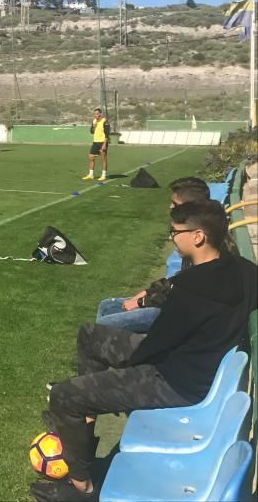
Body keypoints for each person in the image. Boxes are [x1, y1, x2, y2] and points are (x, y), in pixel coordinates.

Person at [36, 201, 257, 502]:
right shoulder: (245, 270)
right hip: (189, 363)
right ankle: (83, 430)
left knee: (65, 395)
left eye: (175, 232)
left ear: (198, 236)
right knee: (90, 336)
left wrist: (119, 378)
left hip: (175, 381)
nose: (172, 238)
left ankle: (81, 488)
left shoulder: (191, 289)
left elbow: (153, 349)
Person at [95, 177, 238, 333]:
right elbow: (179, 281)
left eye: (175, 204)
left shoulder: (209, 244)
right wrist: (148, 292)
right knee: (108, 305)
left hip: (182, 315)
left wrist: (144, 301)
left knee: (104, 326)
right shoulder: (195, 234)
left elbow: (188, 294)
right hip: (175, 303)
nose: (170, 207)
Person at [81, 108, 109, 181]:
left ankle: (103, 175)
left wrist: (104, 144)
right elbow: (92, 131)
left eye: (97, 113)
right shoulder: (94, 121)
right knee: (91, 157)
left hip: (102, 142)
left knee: (103, 159)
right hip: (95, 142)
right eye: (94, 114)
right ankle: (91, 175)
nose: (95, 115)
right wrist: (94, 126)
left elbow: (107, 134)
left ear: (100, 114)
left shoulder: (105, 121)